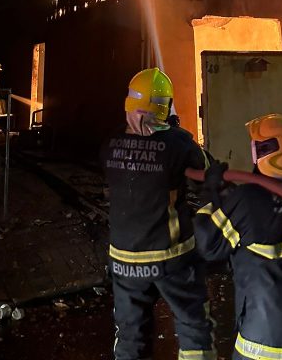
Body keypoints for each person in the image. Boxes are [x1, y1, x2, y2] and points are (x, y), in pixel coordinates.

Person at [195, 113, 282, 360]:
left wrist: (209, 193)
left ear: (264, 152)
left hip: (267, 347)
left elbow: (208, 243)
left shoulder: (248, 200)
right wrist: (228, 195)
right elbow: (257, 214)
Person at [102, 67, 216, 360]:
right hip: (171, 257)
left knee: (130, 335)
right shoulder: (177, 143)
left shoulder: (110, 143)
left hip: (124, 260)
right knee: (193, 326)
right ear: (164, 107)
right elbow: (207, 169)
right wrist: (176, 131)